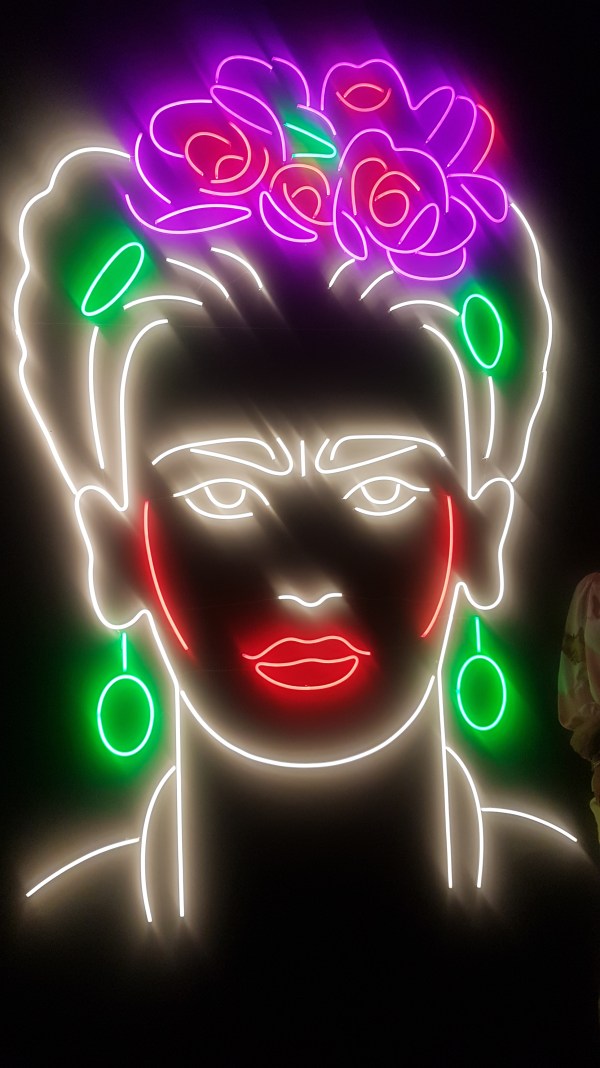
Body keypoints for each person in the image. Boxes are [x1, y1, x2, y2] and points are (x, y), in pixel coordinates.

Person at [14, 51, 579, 934]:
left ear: (480, 531)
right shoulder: (57, 950)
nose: (308, 582)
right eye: (223, 497)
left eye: (382, 490)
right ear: (117, 546)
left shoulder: (568, 912)